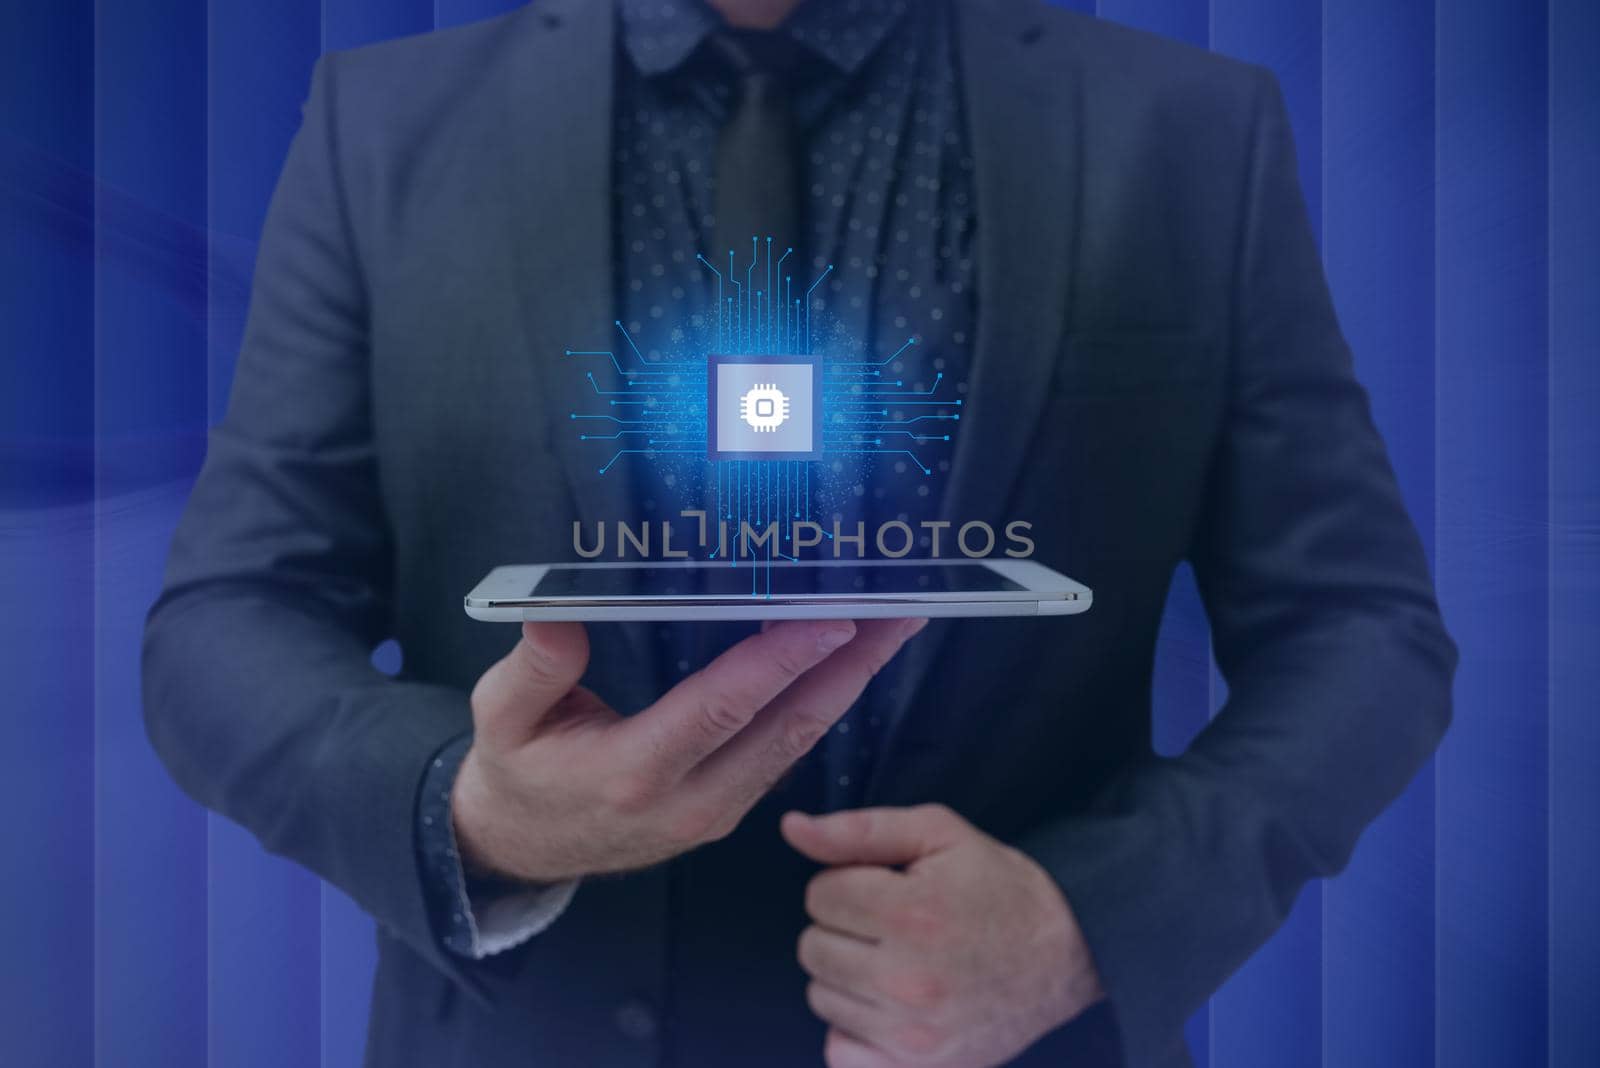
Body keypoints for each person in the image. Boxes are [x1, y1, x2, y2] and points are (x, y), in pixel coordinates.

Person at [141, 0, 1457, 1065]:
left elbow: (1363, 631)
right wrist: (468, 812)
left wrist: (1086, 924)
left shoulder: (1184, 129)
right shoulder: (385, 128)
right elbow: (222, 625)